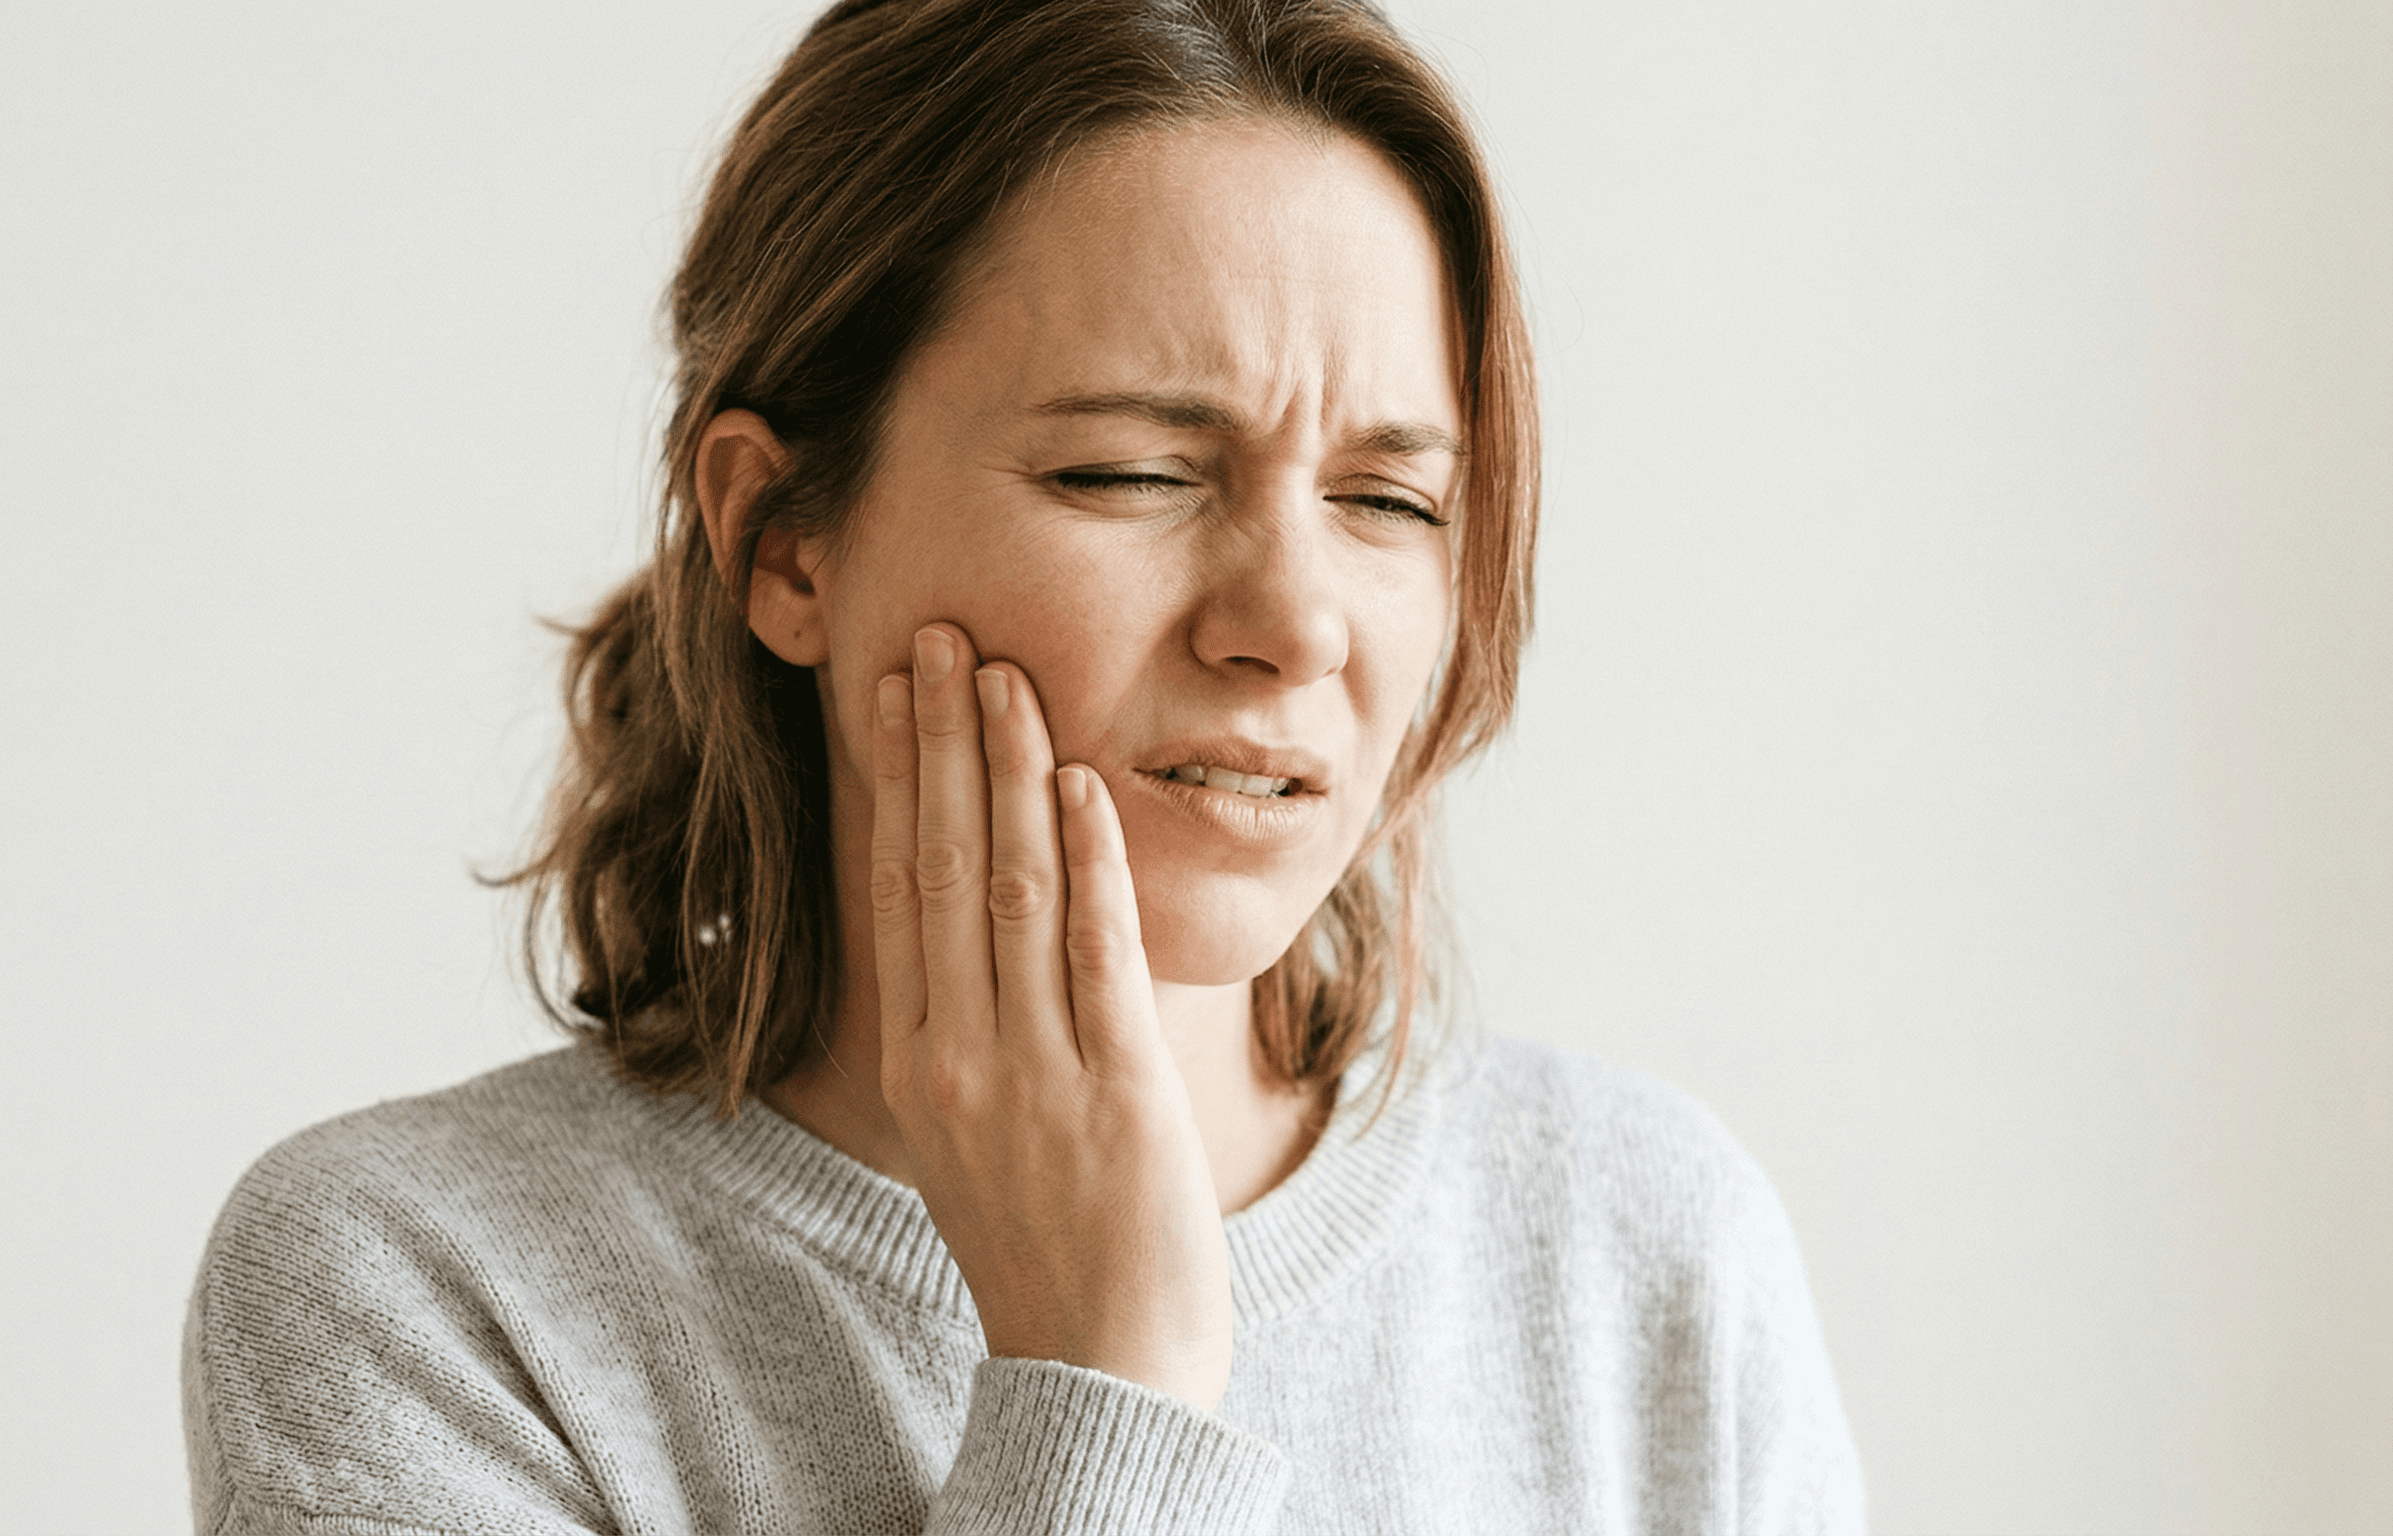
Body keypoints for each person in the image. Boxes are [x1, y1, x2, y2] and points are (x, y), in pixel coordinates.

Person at [181, 0, 1866, 1530]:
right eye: (1134, 475)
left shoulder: (1652, 1258)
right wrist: (1105, 1384)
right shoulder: (416, 1295)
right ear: (782, 541)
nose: (1292, 623)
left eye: (1390, 504)